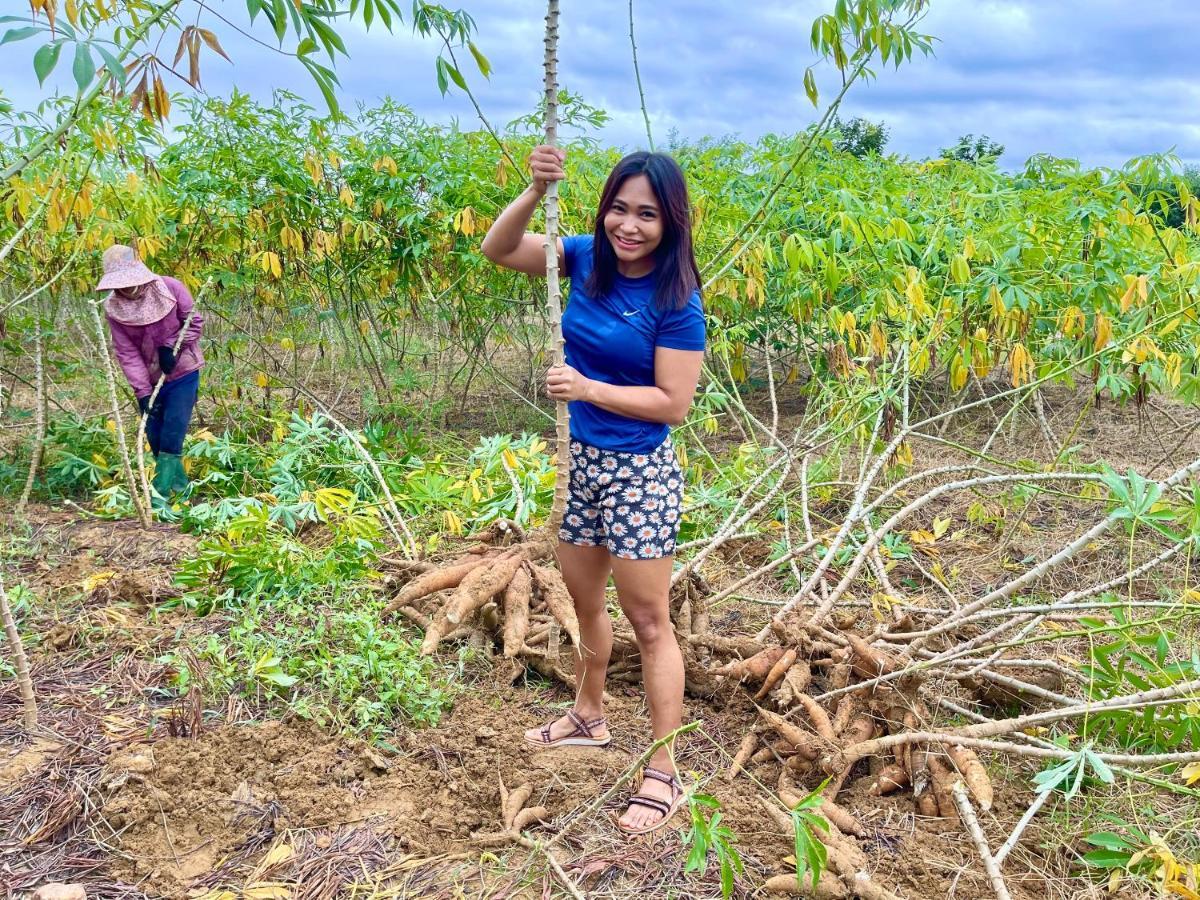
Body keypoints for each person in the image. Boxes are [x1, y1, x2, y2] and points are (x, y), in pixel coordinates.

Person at [482, 147, 706, 835]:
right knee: (584, 603)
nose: (629, 226)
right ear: (603, 208)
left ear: (670, 223)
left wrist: (588, 389)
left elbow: (674, 404)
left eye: (647, 214)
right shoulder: (580, 256)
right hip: (579, 466)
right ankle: (589, 714)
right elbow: (499, 248)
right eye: (619, 208)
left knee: (649, 622)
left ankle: (664, 772)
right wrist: (535, 187)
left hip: (639, 476)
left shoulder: (676, 302)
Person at [95, 244, 204, 505]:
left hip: (183, 372)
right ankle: (182, 492)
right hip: (150, 380)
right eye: (119, 284)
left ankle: (160, 496)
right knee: (154, 435)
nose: (126, 289)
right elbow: (127, 353)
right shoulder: (114, 308)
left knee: (172, 434)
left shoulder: (170, 288)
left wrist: (171, 347)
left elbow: (195, 322)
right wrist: (143, 393)